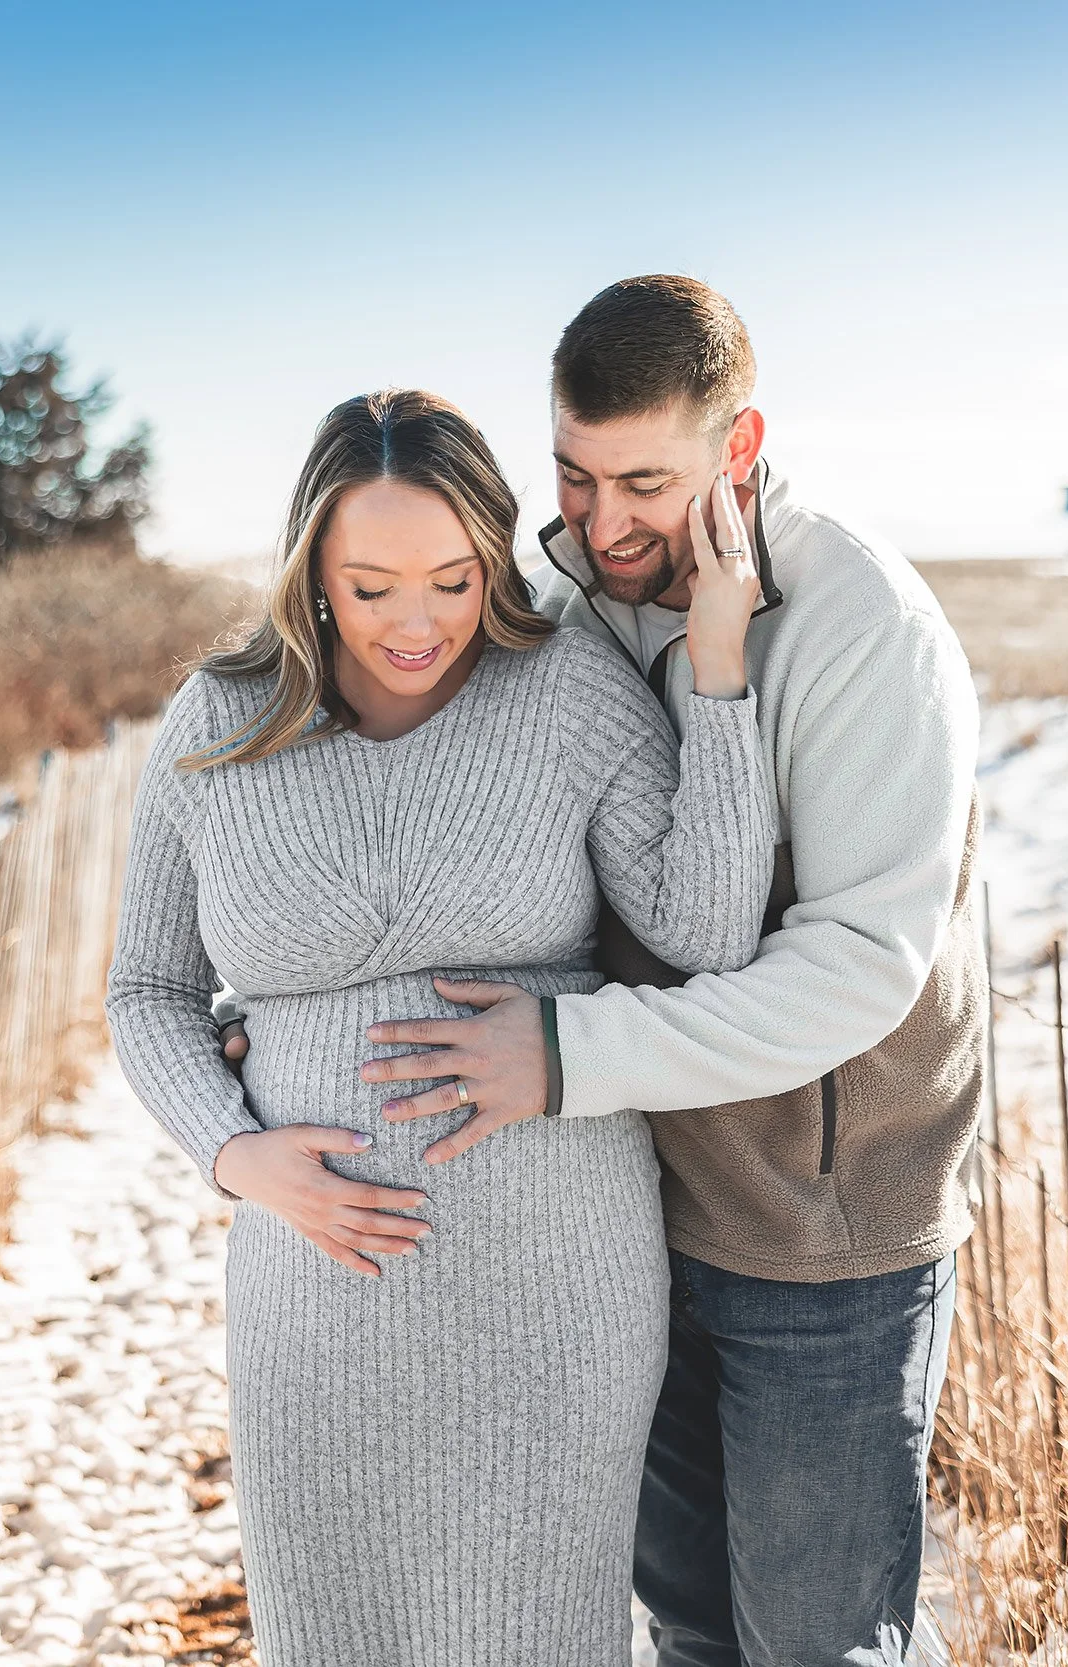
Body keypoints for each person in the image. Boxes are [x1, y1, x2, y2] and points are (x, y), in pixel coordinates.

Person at [359, 276, 985, 1667]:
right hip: (629, 1205)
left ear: (740, 446)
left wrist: (571, 1053)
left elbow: (856, 970)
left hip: (819, 1230)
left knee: (820, 1643)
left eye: (647, 479)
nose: (603, 520)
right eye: (576, 476)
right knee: (693, 1625)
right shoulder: (571, 601)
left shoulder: (862, 625)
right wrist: (297, 1011)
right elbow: (463, 823)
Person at [105, 386, 772, 1665]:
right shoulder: (217, 722)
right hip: (316, 1289)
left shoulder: (566, 690)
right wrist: (235, 1155)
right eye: (371, 587)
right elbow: (147, 990)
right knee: (332, 1631)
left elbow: (706, 930)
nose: (417, 624)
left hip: (554, 1280)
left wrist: (721, 668)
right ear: (312, 571)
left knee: (538, 1636)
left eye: (454, 579)